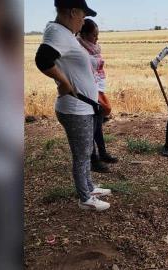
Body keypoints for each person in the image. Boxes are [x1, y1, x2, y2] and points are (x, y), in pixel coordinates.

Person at [35, 0, 111, 211]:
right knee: (81, 154)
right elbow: (43, 60)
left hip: (81, 107)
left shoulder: (62, 32)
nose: (84, 21)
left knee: (85, 151)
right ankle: (85, 198)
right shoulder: (58, 33)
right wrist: (64, 82)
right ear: (72, 12)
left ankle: (89, 187)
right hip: (75, 109)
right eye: (82, 16)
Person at [77, 18, 118, 173]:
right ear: (84, 34)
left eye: (97, 35)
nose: (97, 38)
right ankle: (93, 160)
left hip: (97, 89)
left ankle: (103, 153)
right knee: (91, 128)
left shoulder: (93, 47)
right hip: (86, 93)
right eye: (94, 35)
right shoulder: (79, 49)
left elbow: (97, 69)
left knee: (98, 124)